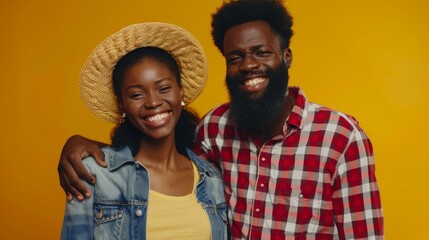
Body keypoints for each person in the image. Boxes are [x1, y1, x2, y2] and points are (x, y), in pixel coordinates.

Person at [58, 0, 384, 239]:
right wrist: (87, 149)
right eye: (235, 57)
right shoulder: (215, 131)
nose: (248, 66)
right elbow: (155, 150)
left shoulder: (340, 137)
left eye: (261, 52)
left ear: (286, 56)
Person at [60, 22, 228, 240]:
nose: (153, 102)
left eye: (164, 88)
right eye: (137, 94)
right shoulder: (93, 175)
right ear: (122, 105)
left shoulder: (213, 180)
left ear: (181, 93)